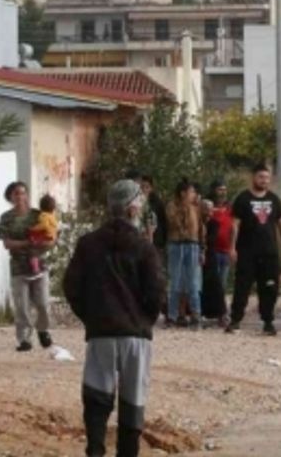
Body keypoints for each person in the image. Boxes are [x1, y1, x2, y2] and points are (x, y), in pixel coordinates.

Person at [62, 179, 164, 457]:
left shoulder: (88, 244)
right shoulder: (144, 247)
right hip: (135, 334)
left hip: (101, 333)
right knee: (132, 402)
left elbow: (71, 287)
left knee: (97, 397)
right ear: (133, 209)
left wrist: (91, 317)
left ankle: (95, 451)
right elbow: (156, 292)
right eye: (140, 203)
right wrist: (144, 320)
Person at [227, 162, 281, 336]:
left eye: (267, 178)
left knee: (270, 287)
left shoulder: (273, 199)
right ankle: (235, 320)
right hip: (247, 251)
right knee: (242, 286)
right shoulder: (243, 198)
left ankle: (268, 322)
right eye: (261, 177)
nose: (264, 180)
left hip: (269, 252)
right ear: (253, 177)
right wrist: (232, 248)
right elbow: (235, 225)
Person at [0, 181, 55, 351]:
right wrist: (25, 243)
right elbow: (7, 243)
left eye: (23, 193)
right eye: (16, 194)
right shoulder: (6, 218)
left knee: (43, 303)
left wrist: (43, 245)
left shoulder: (39, 215)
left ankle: (43, 329)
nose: (20, 197)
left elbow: (51, 235)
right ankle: (24, 339)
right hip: (18, 266)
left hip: (39, 265)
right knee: (21, 306)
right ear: (10, 197)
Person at [160, 180, 205, 329]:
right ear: (183, 193)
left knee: (193, 282)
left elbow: (201, 229)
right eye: (191, 192)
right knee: (175, 282)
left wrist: (202, 248)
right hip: (176, 244)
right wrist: (184, 208)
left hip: (192, 244)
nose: (194, 195)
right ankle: (172, 316)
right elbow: (174, 223)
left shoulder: (196, 208)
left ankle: (195, 315)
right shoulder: (172, 206)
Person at [205, 180, 234, 328]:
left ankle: (222, 314)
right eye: (219, 189)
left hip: (226, 251)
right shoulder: (209, 208)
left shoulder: (230, 209)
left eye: (224, 189)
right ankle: (218, 313)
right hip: (213, 251)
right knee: (215, 284)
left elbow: (234, 228)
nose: (222, 192)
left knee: (222, 284)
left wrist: (233, 248)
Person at [27, 195, 60, 275]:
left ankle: (35, 269)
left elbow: (43, 225)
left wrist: (33, 228)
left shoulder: (43, 215)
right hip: (52, 238)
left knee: (33, 251)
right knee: (41, 252)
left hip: (46, 238)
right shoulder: (53, 216)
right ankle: (43, 265)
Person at [139, 175, 165, 243]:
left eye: (147, 187)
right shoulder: (135, 202)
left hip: (156, 240)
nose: (144, 189)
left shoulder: (157, 203)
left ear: (151, 188)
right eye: (142, 187)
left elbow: (163, 221)